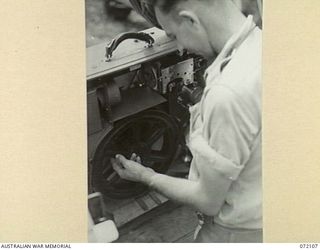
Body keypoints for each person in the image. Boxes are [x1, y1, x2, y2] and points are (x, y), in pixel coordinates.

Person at [111, 0, 262, 243]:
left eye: (174, 35)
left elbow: (207, 200)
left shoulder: (227, 94)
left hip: (235, 232)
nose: (180, 49)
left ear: (190, 19)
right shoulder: (260, 43)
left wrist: (146, 176)